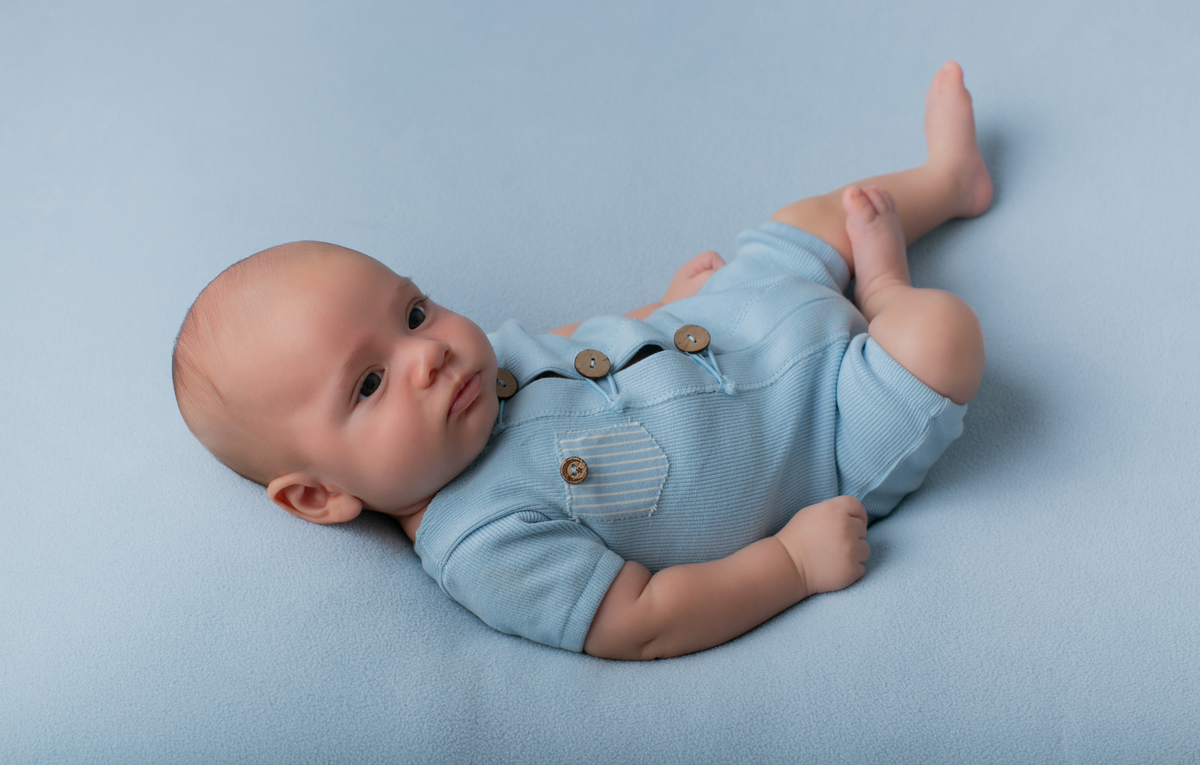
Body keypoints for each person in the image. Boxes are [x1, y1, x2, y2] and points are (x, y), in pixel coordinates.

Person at [172, 61, 989, 660]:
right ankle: (886, 289)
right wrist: (793, 563)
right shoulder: (486, 542)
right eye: (370, 383)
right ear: (318, 494)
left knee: (813, 216)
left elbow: (569, 342)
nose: (427, 354)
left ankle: (949, 181)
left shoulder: (479, 377)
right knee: (941, 338)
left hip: (733, 312)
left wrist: (658, 310)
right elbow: (643, 619)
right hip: (827, 434)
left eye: (414, 312)